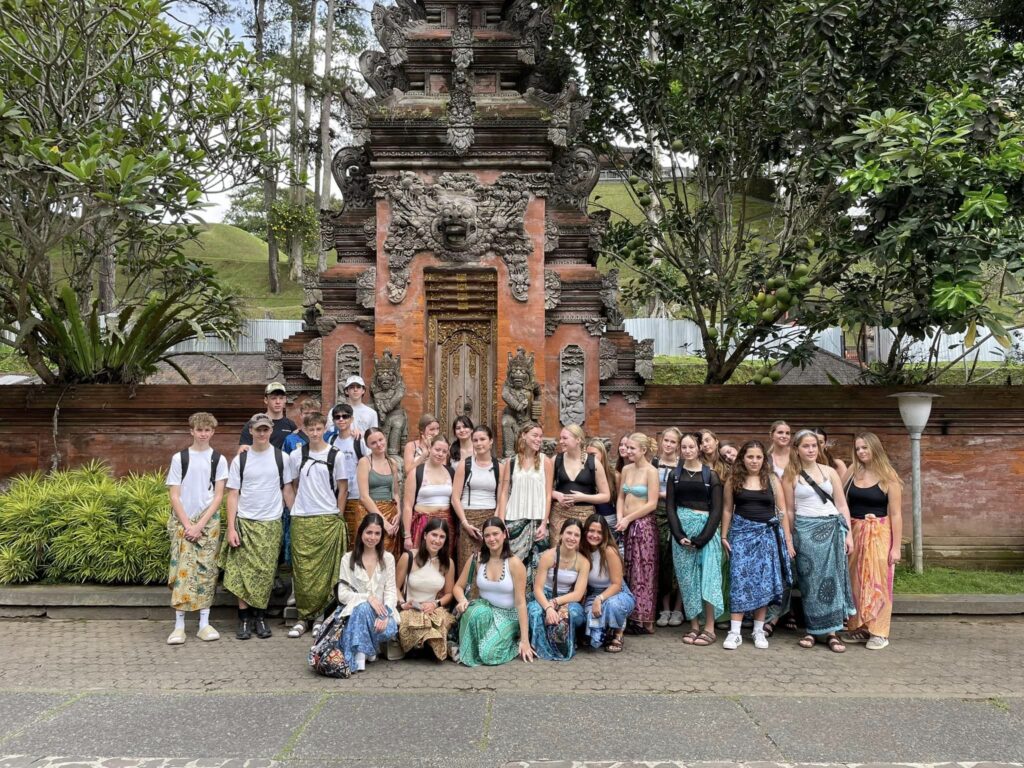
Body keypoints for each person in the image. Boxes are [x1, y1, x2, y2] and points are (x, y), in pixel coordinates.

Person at [221, 413, 296, 640]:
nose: (262, 433)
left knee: (265, 573)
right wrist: (231, 527)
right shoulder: (240, 460)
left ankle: (260, 617)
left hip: (270, 522)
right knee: (241, 572)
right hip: (245, 521)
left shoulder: (282, 458)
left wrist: (295, 518)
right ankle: (244, 619)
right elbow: (233, 494)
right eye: (258, 430)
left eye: (266, 429)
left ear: (271, 431)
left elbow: (287, 489)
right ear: (251, 431)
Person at [783, 429, 856, 653]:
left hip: (831, 528)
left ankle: (832, 633)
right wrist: (789, 539)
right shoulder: (790, 475)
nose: (811, 450)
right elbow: (787, 510)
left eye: (814, 445)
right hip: (805, 530)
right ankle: (812, 630)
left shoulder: (829, 472)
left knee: (832, 579)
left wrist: (849, 534)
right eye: (806, 446)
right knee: (810, 582)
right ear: (797, 449)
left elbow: (842, 505)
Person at [720, 440, 794, 650]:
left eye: (758, 457)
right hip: (741, 535)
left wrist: (787, 540)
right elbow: (727, 509)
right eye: (750, 457)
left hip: (766, 536)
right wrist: (724, 536)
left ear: (764, 459)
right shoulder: (733, 479)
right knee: (740, 581)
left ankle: (758, 630)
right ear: (743, 458)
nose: (754, 461)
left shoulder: (771, 479)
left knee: (763, 583)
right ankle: (734, 632)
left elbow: (781, 511)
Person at [165, 412, 229, 645]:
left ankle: (204, 623)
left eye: (208, 430)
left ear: (213, 432)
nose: (203, 434)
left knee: (206, 571)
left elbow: (219, 495)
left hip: (208, 523)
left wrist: (200, 524)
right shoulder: (179, 458)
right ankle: (179, 625)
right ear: (191, 431)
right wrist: (187, 524)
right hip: (184, 521)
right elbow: (174, 494)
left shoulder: (218, 460)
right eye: (199, 429)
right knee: (182, 571)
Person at [285, 411, 351, 638]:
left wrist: (338, 515)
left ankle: (321, 616)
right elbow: (290, 485)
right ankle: (303, 617)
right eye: (310, 429)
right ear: (304, 430)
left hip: (327, 516)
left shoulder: (336, 455)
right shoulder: (296, 455)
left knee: (325, 572)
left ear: (325, 429)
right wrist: (294, 510)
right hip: (303, 517)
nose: (314, 433)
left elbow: (343, 488)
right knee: (303, 570)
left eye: (318, 429)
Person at [842, 432, 903, 650]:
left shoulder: (888, 476)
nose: (861, 452)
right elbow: (841, 502)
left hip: (879, 532)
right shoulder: (852, 471)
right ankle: (859, 626)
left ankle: (879, 632)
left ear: (875, 448)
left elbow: (896, 514)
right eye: (858, 448)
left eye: (865, 448)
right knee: (856, 581)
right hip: (855, 531)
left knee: (878, 581)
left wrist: (896, 547)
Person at [667, 432, 725, 647]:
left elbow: (717, 511)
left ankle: (709, 627)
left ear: (699, 448)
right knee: (688, 580)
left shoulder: (711, 476)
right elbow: (670, 507)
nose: (687, 450)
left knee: (708, 579)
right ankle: (693, 625)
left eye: (691, 446)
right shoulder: (674, 475)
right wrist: (679, 535)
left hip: (706, 532)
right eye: (684, 447)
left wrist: (703, 538)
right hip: (681, 531)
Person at [453, 517, 535, 666]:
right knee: (472, 611)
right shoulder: (476, 559)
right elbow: (458, 587)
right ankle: (477, 645)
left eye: (495, 534)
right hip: (487, 611)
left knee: (488, 655)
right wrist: (462, 600)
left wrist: (525, 641)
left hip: (509, 615)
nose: (492, 539)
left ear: (504, 534)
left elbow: (521, 603)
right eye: (487, 535)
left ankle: (515, 643)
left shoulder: (514, 563)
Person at [335, 513, 399, 672]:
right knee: (362, 608)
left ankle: (367, 648)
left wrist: (385, 614)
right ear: (361, 532)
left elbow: (391, 590)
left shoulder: (388, 558)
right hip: (353, 616)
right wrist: (367, 598)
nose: (373, 537)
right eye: (369, 532)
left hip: (382, 618)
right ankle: (361, 656)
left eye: (377, 533)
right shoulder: (347, 559)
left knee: (389, 627)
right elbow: (342, 594)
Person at [496, 422, 553, 582]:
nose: (539, 439)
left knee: (537, 567)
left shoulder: (545, 461)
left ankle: (533, 603)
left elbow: (548, 494)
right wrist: (501, 521)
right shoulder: (511, 462)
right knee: (512, 566)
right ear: (523, 435)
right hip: (514, 520)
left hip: (537, 522)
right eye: (535, 435)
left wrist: (544, 523)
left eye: (540, 436)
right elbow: (504, 493)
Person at [527, 519, 590, 661]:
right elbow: (537, 588)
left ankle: (564, 646)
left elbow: (578, 594)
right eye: (568, 533)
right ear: (561, 535)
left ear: (580, 539)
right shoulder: (549, 556)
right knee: (535, 611)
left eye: (576, 535)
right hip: (544, 596)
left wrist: (556, 602)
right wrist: (549, 607)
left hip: (567, 599)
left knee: (573, 614)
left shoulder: (583, 562)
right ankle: (540, 648)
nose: (572, 538)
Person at [394, 517, 455, 661]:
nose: (437, 540)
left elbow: (449, 594)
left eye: (442, 537)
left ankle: (427, 645)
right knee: (411, 621)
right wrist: (403, 603)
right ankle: (421, 645)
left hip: (432, 608)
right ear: (425, 535)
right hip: (409, 608)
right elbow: (394, 587)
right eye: (434, 535)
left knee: (440, 620)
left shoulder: (448, 563)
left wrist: (436, 604)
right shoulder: (408, 556)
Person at [616, 433, 659, 633]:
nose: (629, 451)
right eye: (628, 447)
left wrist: (628, 519)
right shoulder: (625, 469)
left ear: (644, 450)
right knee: (629, 569)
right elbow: (620, 496)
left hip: (643, 526)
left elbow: (652, 503)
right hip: (625, 525)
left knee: (644, 571)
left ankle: (645, 619)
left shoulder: (651, 471)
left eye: (633, 448)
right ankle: (631, 616)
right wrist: (620, 518)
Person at [579, 514, 635, 652]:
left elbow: (616, 584)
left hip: (617, 592)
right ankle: (604, 630)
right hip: (594, 593)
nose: (595, 535)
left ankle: (618, 633)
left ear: (604, 534)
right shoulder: (582, 551)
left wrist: (600, 598)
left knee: (612, 605)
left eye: (599, 532)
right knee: (594, 638)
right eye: (591, 531)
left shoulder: (609, 551)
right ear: (585, 531)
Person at [549, 425, 610, 547]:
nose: (561, 441)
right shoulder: (556, 460)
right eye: (560, 438)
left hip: (585, 515)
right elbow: (545, 489)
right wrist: (556, 495)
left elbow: (606, 496)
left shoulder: (594, 463)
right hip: (559, 514)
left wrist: (582, 497)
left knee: (581, 552)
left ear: (578, 440)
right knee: (558, 551)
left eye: (565, 438)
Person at [452, 425, 500, 571]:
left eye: (483, 439)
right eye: (475, 440)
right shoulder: (465, 465)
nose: (479, 443)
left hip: (490, 518)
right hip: (468, 519)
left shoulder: (499, 466)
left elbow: (501, 497)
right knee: (468, 565)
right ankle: (465, 594)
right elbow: (455, 497)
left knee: (489, 564)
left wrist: (495, 522)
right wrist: (465, 523)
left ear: (491, 441)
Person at [355, 426, 403, 560]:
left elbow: (395, 493)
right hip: (370, 512)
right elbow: (364, 497)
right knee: (370, 552)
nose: (379, 444)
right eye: (373, 443)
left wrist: (398, 513)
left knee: (387, 555)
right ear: (368, 445)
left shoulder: (392, 463)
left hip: (390, 511)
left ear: (385, 438)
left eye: (380, 440)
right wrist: (384, 523)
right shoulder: (365, 462)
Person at [403, 434, 455, 555]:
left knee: (443, 563)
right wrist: (407, 536)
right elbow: (407, 506)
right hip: (423, 523)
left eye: (444, 451)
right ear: (430, 448)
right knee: (420, 561)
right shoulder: (416, 472)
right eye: (437, 449)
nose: (440, 454)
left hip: (446, 526)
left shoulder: (450, 472)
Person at [652, 427, 683, 627]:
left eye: (673, 442)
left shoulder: (683, 465)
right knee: (661, 559)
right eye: (666, 440)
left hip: (678, 515)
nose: (669, 445)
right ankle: (664, 608)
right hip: (657, 513)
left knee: (680, 561)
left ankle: (678, 608)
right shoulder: (653, 463)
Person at [238, 382, 296, 451]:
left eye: (281, 398)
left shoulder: (291, 425)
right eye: (273, 398)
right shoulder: (254, 424)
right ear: (266, 400)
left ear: (285, 400)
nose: (278, 402)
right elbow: (242, 452)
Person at [586, 438, 622, 549]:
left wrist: (619, 519)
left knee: (609, 551)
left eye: (593, 454)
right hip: (589, 518)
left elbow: (620, 499)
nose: (589, 458)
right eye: (587, 454)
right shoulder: (584, 473)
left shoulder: (614, 475)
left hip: (609, 519)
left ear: (603, 454)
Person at [341, 374, 378, 444]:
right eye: (352, 387)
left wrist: (363, 434)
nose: (355, 390)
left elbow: (375, 436)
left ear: (363, 390)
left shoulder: (371, 413)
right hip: (342, 450)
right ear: (346, 391)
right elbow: (330, 433)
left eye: (358, 387)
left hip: (364, 451)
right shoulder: (337, 411)